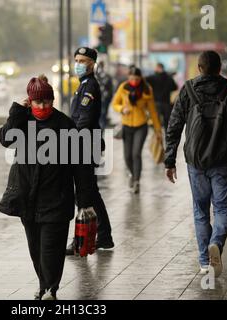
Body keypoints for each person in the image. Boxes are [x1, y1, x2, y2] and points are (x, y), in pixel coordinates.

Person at [0, 75, 94, 300]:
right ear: (29, 102)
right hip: (27, 198)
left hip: (56, 197)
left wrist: (85, 200)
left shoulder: (65, 125)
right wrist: (16, 111)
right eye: (38, 102)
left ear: (53, 100)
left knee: (51, 248)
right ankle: (44, 286)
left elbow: (81, 166)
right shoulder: (23, 121)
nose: (43, 107)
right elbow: (5, 139)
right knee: (36, 249)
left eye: (47, 101)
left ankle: (51, 288)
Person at [164, 51, 227, 277]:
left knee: (200, 211)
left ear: (199, 68)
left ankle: (205, 261)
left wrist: (170, 159)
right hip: (224, 159)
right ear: (220, 68)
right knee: (223, 208)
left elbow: (174, 125)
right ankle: (217, 244)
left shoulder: (189, 89)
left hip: (196, 159)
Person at [66, 47, 114, 254]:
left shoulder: (90, 87)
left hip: (84, 144)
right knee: (91, 193)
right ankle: (103, 236)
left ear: (92, 64)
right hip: (85, 143)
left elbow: (84, 120)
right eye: (76, 60)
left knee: (84, 194)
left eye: (83, 61)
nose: (78, 64)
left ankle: (82, 239)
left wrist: (71, 141)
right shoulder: (83, 85)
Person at [112, 66, 163, 193]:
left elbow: (153, 111)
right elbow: (115, 103)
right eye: (131, 78)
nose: (134, 80)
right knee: (127, 156)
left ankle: (136, 181)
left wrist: (158, 130)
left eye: (136, 78)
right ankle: (132, 174)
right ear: (128, 77)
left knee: (136, 153)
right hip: (126, 126)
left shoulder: (146, 90)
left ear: (140, 78)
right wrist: (122, 109)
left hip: (141, 126)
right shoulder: (123, 87)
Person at [146, 63, 178, 130]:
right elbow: (175, 87)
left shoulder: (152, 77)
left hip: (156, 103)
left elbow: (144, 82)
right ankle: (167, 138)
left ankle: (158, 137)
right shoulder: (169, 77)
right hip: (167, 103)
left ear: (158, 68)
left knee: (156, 122)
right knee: (167, 122)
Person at [95, 61, 114, 129]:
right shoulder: (96, 76)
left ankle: (102, 126)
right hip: (99, 98)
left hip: (103, 98)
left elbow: (110, 88)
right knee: (101, 113)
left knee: (102, 113)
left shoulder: (105, 76)